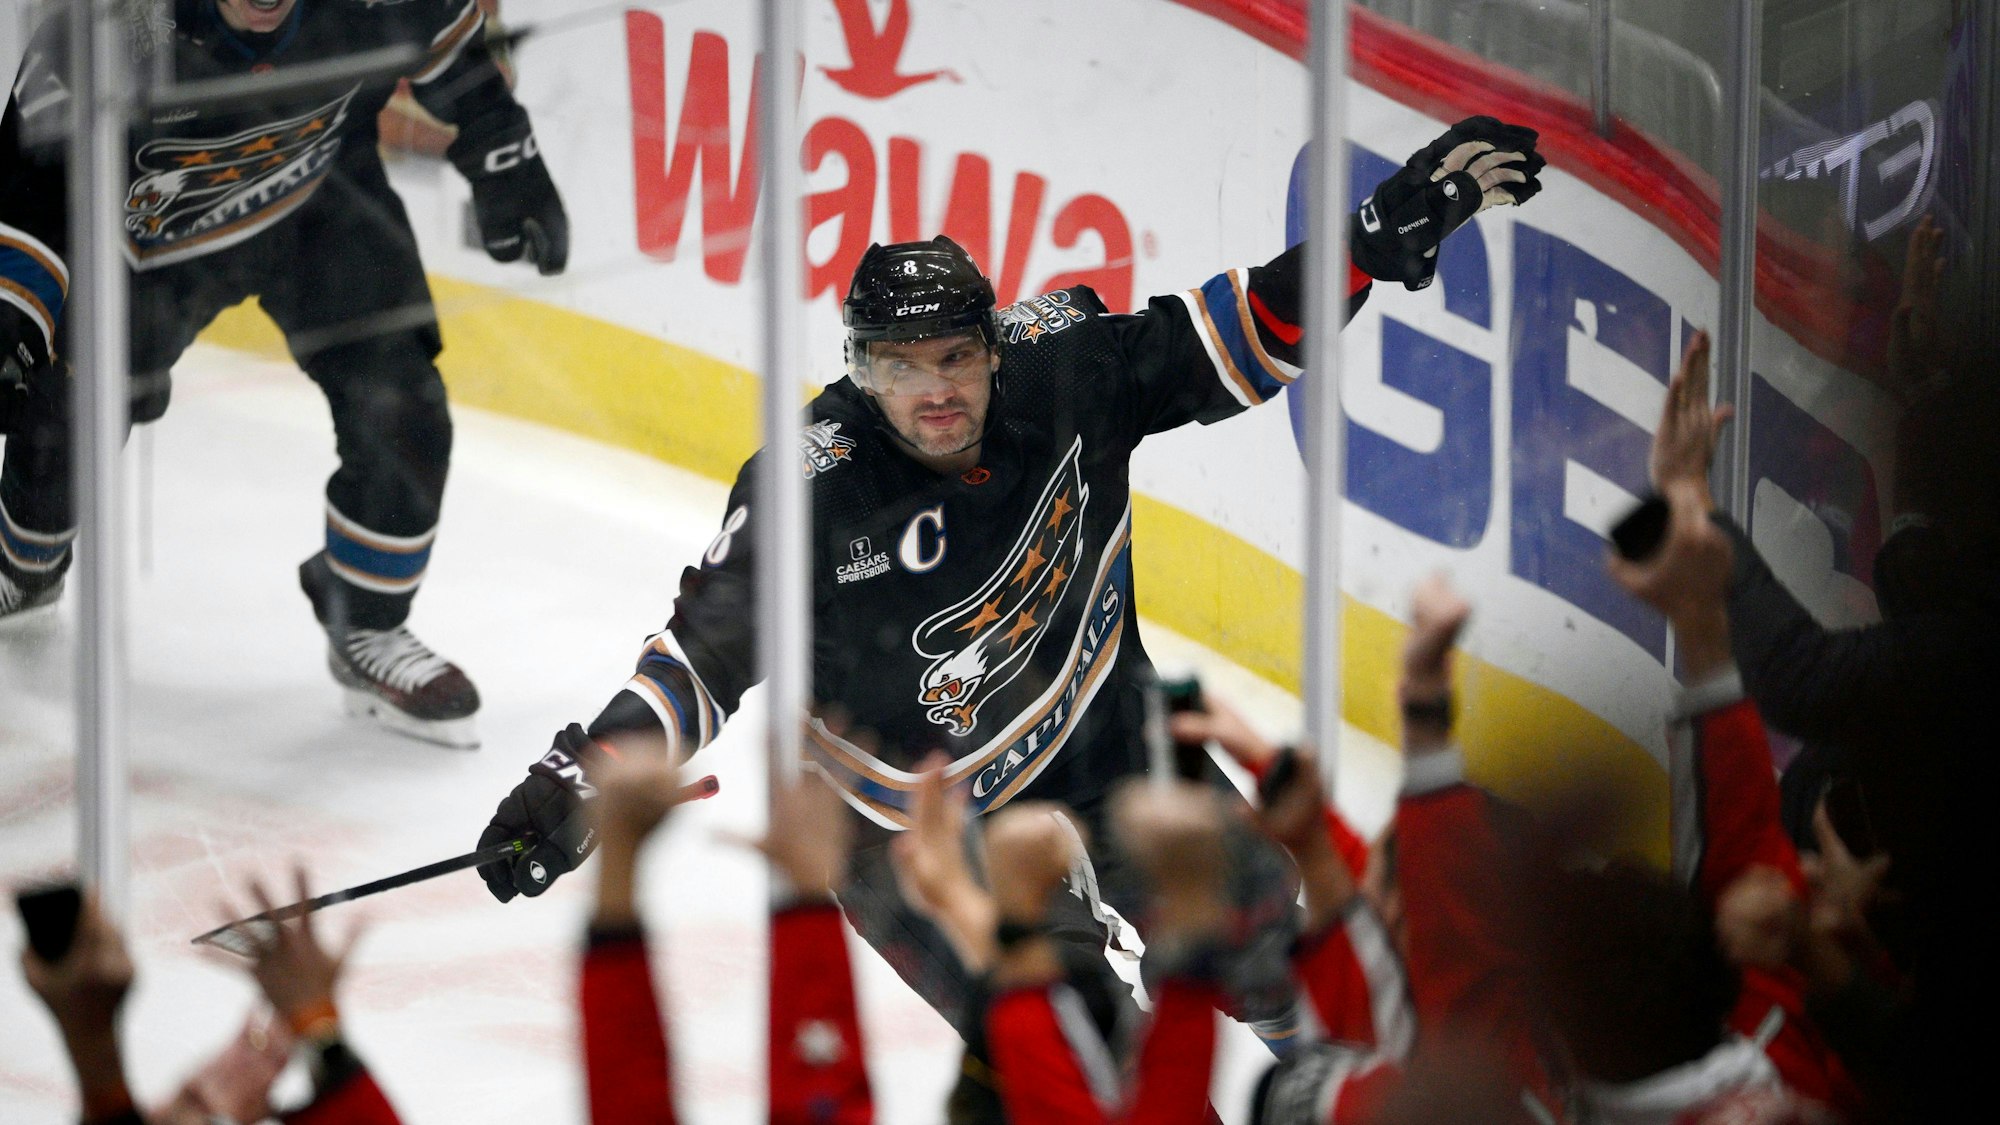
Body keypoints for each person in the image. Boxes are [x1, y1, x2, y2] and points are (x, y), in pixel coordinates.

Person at [477, 116, 1544, 1093]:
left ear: (994, 347)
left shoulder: (1065, 365)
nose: (936, 390)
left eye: (955, 357)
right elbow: (699, 660)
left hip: (1104, 728)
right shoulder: (810, 491)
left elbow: (1243, 330)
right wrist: (582, 773)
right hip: (916, 832)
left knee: (1271, 950)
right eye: (899, 368)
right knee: (1087, 1059)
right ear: (858, 372)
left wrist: (1363, 244)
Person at [0, 0, 570, 747]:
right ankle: (27, 561)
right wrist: (13, 313)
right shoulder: (112, 23)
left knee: (404, 403)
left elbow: (450, 48)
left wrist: (506, 157)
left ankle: (367, 620)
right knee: (64, 410)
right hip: (143, 247)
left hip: (318, 200)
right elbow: (31, 185)